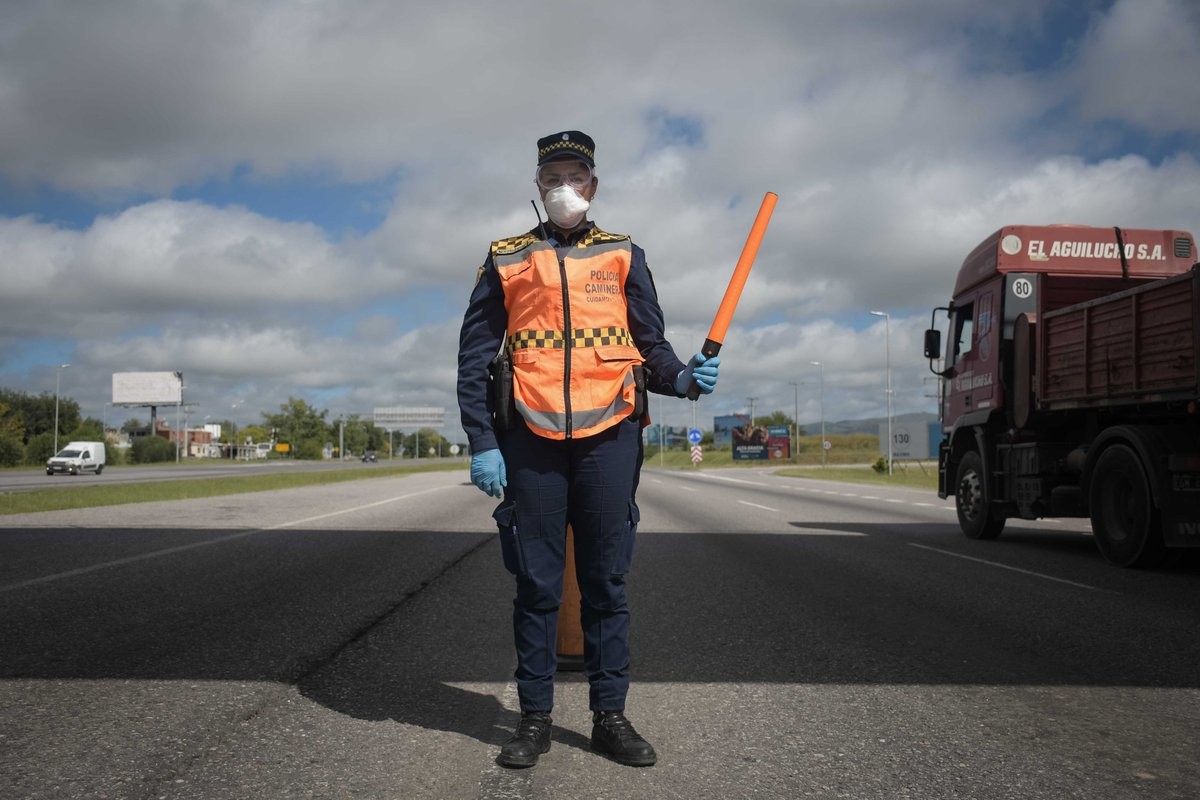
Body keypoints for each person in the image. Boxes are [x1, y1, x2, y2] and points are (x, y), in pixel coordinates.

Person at [456, 130, 720, 769]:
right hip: (531, 440)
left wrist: (681, 377)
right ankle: (535, 721)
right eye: (552, 179)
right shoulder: (505, 257)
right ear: (538, 187)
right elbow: (474, 357)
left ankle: (611, 717)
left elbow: (649, 347)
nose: (564, 188)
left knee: (605, 581)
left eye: (575, 176)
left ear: (594, 184)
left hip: (610, 436)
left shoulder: (625, 253)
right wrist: (483, 441)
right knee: (538, 585)